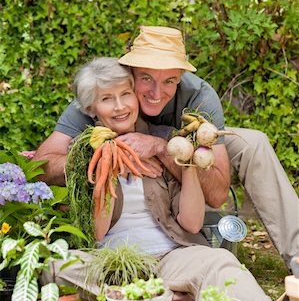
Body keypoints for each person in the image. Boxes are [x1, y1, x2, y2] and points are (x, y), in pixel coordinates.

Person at [40, 57, 292, 301]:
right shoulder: (84, 152)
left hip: (170, 256)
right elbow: (97, 233)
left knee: (219, 260)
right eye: (108, 99)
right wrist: (105, 166)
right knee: (55, 267)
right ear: (91, 110)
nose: (120, 105)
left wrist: (182, 161)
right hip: (113, 263)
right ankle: (169, 297)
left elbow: (194, 222)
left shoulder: (170, 136)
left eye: (125, 95)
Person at [33, 26, 299, 269]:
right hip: (120, 173)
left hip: (187, 151)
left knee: (253, 142)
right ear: (130, 74)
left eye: (169, 81)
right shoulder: (109, 93)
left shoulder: (199, 96)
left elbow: (217, 196)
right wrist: (109, 152)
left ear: (180, 78)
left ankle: (297, 254)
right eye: (146, 79)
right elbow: (41, 166)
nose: (156, 92)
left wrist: (161, 148)